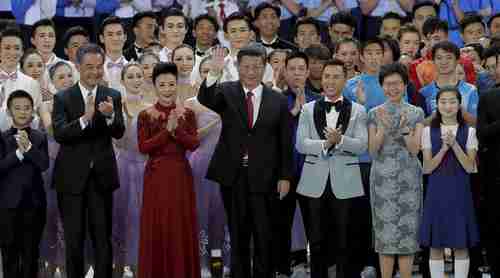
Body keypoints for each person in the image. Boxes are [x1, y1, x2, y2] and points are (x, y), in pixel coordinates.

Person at [197, 45, 292, 278]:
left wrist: (285, 176)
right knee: (238, 235)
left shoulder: (277, 100)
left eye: (257, 67)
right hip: (233, 175)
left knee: (264, 235)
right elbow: (206, 98)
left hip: (266, 177)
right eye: (246, 67)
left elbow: (284, 142)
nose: (251, 72)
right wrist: (214, 72)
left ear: (264, 67)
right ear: (238, 67)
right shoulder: (226, 91)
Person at [51, 43, 125, 278]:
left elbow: (119, 132)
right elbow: (61, 134)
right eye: (89, 67)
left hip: (101, 179)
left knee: (102, 239)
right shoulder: (63, 97)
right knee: (74, 241)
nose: (95, 72)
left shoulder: (112, 95)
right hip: (71, 181)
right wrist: (86, 118)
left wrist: (111, 115)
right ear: (78, 67)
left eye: (99, 67)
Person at [295, 58, 368, 278]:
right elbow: (301, 144)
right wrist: (327, 143)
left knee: (345, 239)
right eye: (327, 76)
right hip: (313, 181)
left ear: (345, 80)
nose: (330, 81)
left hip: (346, 181)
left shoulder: (358, 110)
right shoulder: (307, 108)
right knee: (316, 240)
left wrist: (341, 140)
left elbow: (362, 145)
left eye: (336, 76)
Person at [137, 62, 200, 278]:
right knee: (158, 225)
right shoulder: (145, 115)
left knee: (180, 226)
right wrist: (167, 132)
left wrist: (177, 131)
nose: (167, 89)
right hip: (156, 176)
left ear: (177, 85)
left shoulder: (188, 113)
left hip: (181, 175)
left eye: (171, 84)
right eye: (162, 84)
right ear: (154, 86)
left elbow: (193, 143)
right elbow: (143, 147)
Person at [367, 62, 424, 278]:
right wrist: (382, 129)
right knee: (385, 234)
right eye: (388, 84)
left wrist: (404, 130)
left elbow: (414, 149)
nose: (393, 88)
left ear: (405, 85)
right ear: (382, 86)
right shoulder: (373, 113)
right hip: (382, 179)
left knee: (408, 235)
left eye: (398, 83)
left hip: (409, 178)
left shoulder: (416, 112)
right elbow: (372, 150)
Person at [419, 86, 479, 278]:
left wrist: (454, 145)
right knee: (435, 245)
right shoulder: (428, 131)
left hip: (460, 191)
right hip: (436, 192)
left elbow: (470, 167)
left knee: (460, 244)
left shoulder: (469, 131)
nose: (448, 106)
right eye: (443, 102)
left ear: (459, 104)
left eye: (452, 101)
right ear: (436, 105)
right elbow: (427, 168)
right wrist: (444, 149)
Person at [0, 90, 49, 278]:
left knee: (31, 255)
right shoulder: (2, 138)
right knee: (9, 255)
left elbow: (44, 164)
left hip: (34, 205)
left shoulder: (39, 137)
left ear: (33, 111)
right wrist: (18, 154)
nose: (22, 112)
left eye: (27, 108)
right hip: (7, 207)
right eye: (18, 108)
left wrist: (28, 148)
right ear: (9, 111)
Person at [112, 63, 151, 277]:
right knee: (123, 213)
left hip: (147, 167)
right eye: (131, 76)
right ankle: (122, 262)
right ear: (123, 81)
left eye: (139, 76)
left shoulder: (151, 107)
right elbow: (116, 140)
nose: (136, 80)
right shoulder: (118, 107)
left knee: (144, 215)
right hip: (124, 166)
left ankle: (143, 261)